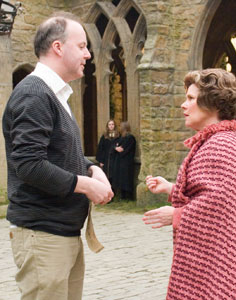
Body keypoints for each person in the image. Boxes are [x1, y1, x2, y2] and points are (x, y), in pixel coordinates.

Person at [2, 12, 114, 300]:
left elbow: (59, 154)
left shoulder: (55, 94)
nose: (88, 54)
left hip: (62, 232)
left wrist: (92, 170)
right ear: (58, 47)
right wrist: (86, 185)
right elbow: (29, 165)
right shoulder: (34, 95)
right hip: (43, 234)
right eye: (82, 46)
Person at [142, 68, 236, 300]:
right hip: (218, 251)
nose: (183, 106)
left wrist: (177, 215)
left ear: (213, 104)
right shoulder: (219, 139)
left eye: (191, 99)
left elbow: (218, 203)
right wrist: (171, 188)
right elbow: (215, 193)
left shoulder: (220, 144)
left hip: (218, 257)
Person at [112, 121, 136, 200]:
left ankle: (128, 196)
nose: (119, 128)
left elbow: (125, 149)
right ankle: (123, 195)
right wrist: (116, 148)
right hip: (120, 162)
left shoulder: (130, 138)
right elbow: (115, 146)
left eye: (121, 126)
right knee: (121, 179)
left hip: (127, 162)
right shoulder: (121, 137)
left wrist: (120, 149)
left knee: (127, 179)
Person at [96, 119, 120, 184]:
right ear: (107, 126)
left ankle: (114, 191)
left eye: (112, 124)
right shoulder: (104, 136)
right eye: (109, 124)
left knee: (114, 175)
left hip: (115, 159)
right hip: (106, 159)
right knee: (107, 175)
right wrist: (101, 160)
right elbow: (100, 148)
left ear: (114, 126)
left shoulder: (118, 136)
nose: (111, 126)